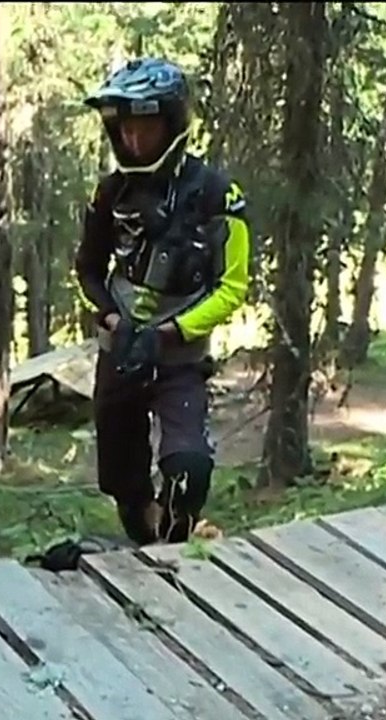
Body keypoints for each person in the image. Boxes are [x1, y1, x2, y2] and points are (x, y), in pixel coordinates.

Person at [75, 57, 251, 546]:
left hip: (181, 359)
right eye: (126, 130)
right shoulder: (109, 193)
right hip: (122, 353)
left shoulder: (218, 194)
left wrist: (170, 334)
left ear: (171, 124)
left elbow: (233, 287)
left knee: (188, 470)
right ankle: (149, 550)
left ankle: (178, 548)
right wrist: (114, 319)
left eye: (145, 129)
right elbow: (87, 269)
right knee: (121, 479)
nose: (134, 141)